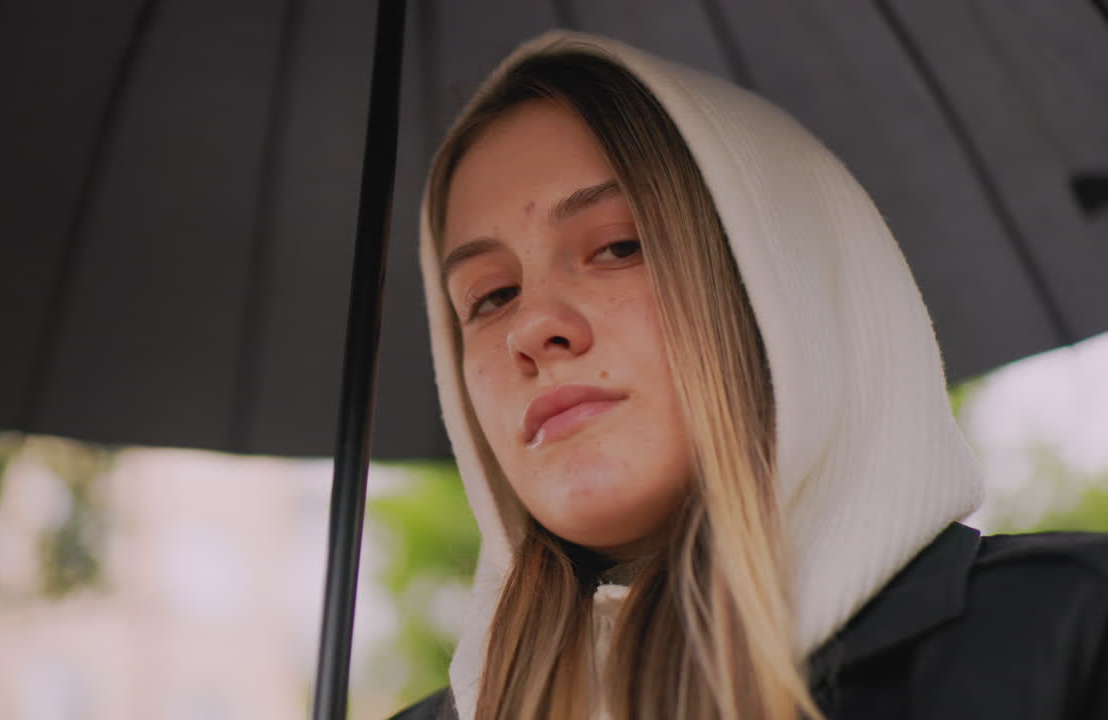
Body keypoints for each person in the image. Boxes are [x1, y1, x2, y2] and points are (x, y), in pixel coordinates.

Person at [390, 31, 1108, 720]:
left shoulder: (1073, 639)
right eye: (490, 297)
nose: (529, 327)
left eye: (617, 247)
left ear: (783, 281)